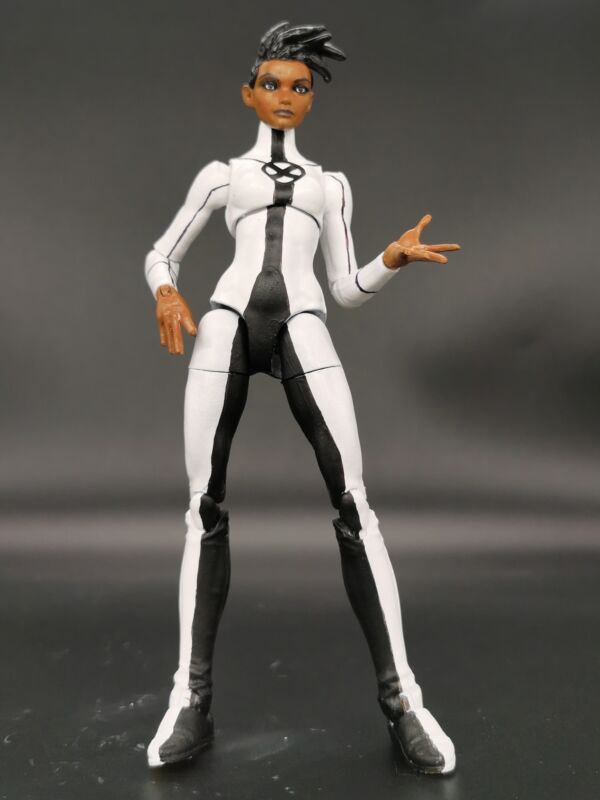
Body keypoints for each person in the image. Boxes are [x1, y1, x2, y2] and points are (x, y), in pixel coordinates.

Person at [144, 21, 460, 775]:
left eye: (300, 87)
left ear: (311, 100)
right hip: (226, 324)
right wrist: (165, 291)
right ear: (249, 93)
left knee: (354, 503)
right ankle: (190, 698)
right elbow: (163, 251)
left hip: (302, 325)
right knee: (203, 505)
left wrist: (391, 259)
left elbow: (345, 288)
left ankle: (405, 701)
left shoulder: (331, 185)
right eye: (273, 84)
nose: (285, 96)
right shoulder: (223, 176)